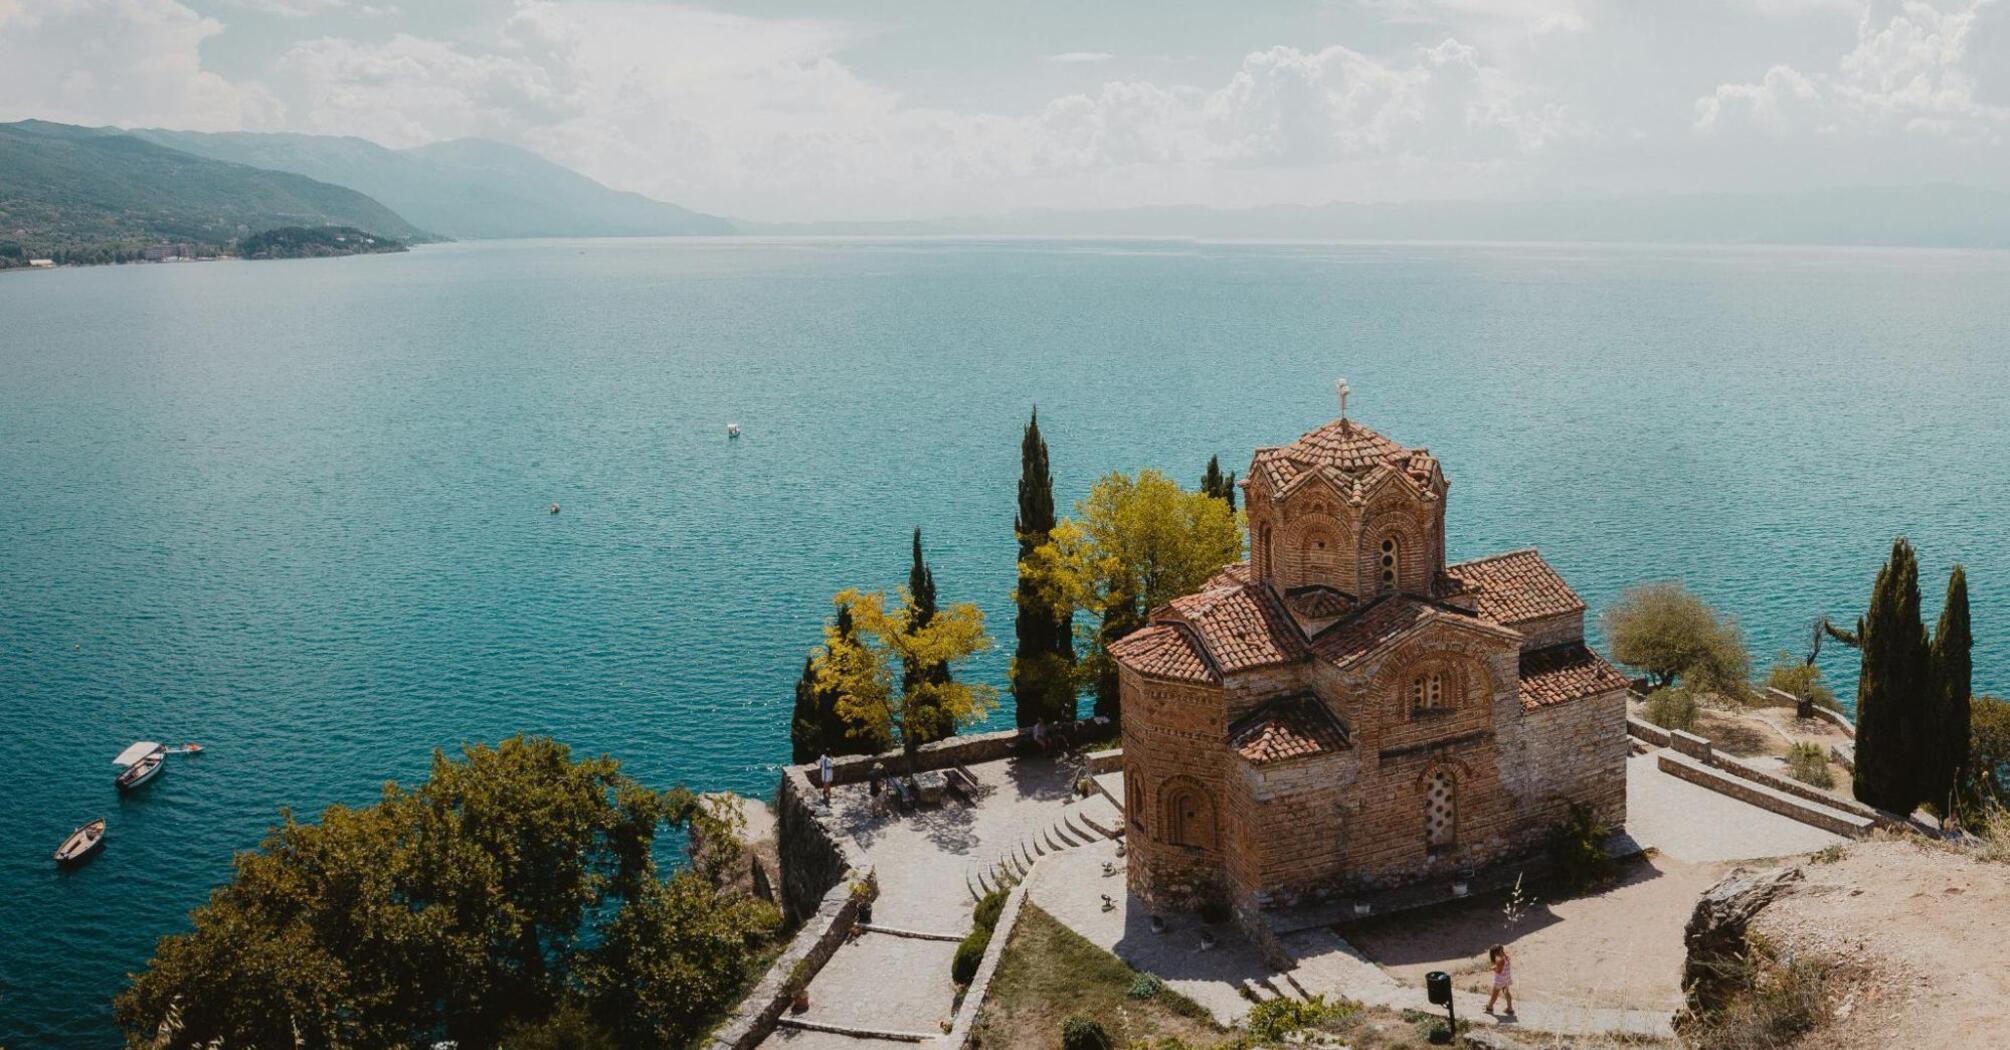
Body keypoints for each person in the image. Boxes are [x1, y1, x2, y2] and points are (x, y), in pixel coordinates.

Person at [1485, 944, 1515, 1017]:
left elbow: (1499, 971)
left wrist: (1493, 968)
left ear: (1496, 953)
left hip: (1500, 981)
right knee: (1507, 993)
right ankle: (1509, 1007)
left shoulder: (1500, 960)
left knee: (1494, 994)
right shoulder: (1506, 957)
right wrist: (1497, 966)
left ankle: (1489, 1007)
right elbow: (1503, 967)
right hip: (1506, 979)